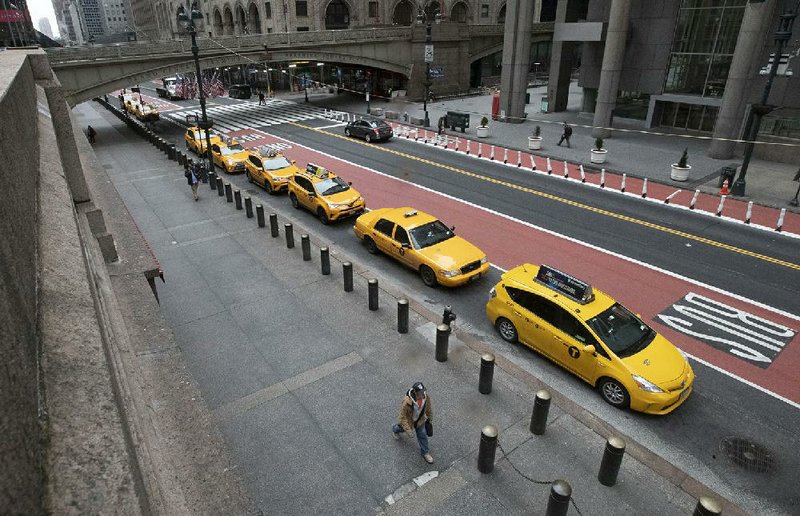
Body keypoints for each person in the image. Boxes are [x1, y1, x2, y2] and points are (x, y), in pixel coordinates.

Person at [392, 382, 434, 464]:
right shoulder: (407, 401)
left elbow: (428, 407)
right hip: (409, 421)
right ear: (415, 392)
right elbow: (402, 417)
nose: (423, 394)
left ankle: (425, 452)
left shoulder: (426, 397)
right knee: (400, 428)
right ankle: (395, 429)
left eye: (423, 391)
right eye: (420, 393)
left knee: (422, 435)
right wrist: (408, 429)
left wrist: (430, 416)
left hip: (419, 420)